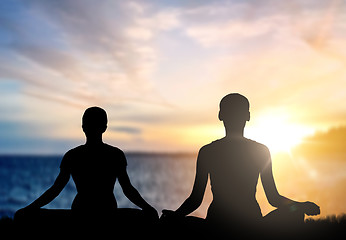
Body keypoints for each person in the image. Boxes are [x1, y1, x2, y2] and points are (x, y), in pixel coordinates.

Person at [162, 93, 320, 235]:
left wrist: (175, 216)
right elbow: (273, 198)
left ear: (220, 115)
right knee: (296, 213)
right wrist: (301, 205)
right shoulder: (261, 151)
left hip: (217, 224)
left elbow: (196, 199)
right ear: (248, 116)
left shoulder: (208, 151)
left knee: (174, 222)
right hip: (251, 224)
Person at [15, 107, 158, 230]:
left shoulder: (72, 155)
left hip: (81, 212)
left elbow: (55, 189)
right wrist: (148, 208)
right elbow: (127, 189)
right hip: (107, 212)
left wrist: (30, 208)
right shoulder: (115, 155)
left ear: (83, 127)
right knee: (146, 216)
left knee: (25, 216)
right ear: (104, 128)